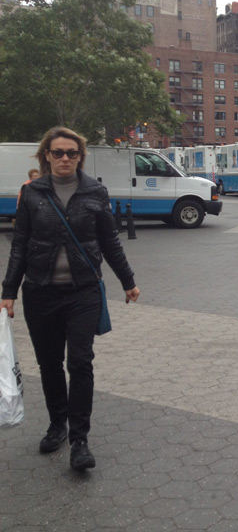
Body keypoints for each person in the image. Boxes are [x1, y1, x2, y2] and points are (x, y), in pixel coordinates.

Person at [1, 127, 141, 471]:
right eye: (58, 152)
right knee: (49, 363)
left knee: (79, 362)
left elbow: (110, 241)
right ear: (45, 155)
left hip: (83, 290)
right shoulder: (32, 193)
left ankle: (80, 439)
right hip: (39, 290)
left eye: (71, 153)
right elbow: (19, 244)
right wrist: (8, 291)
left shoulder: (95, 192)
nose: (65, 158)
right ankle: (56, 425)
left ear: (80, 156)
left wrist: (128, 281)